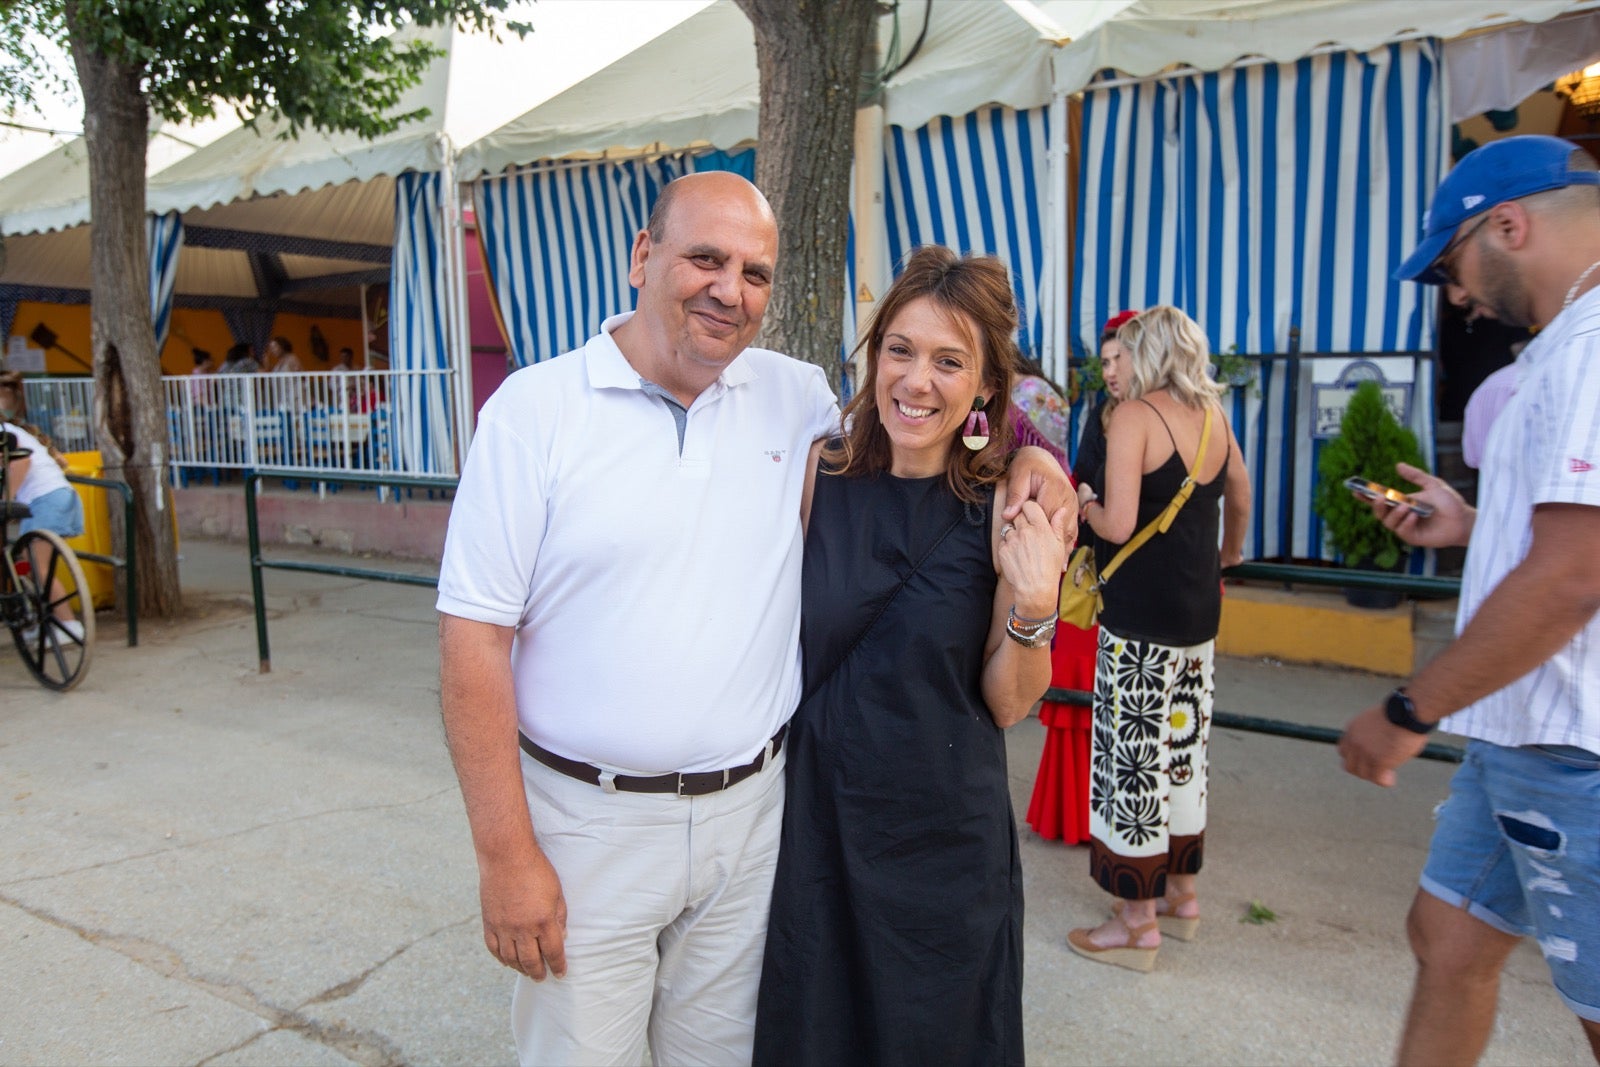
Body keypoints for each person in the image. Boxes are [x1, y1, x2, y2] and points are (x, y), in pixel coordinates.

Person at [434, 171, 1069, 1066]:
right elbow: (472, 640)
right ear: (642, 256)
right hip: (597, 828)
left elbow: (951, 437)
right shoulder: (534, 414)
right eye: (705, 258)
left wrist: (1036, 468)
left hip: (758, 826)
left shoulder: (788, 396)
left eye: (755, 271)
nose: (729, 289)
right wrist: (505, 856)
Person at [752, 247, 1070, 1067]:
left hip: (944, 846)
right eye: (900, 349)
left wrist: (1037, 608)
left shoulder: (1005, 504)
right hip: (816, 828)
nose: (916, 379)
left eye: (948, 360)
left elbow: (1005, 702)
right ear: (875, 355)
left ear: (987, 385)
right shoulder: (816, 476)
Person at [1338, 134, 1600, 1065]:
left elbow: (1574, 576)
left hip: (1576, 748)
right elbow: (1564, 537)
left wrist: (1411, 708)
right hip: (1524, 739)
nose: (1455, 293)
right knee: (1446, 939)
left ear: (1510, 223)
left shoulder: (1593, 347)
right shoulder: (1564, 349)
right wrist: (1473, 525)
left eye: (1452, 265)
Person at [1067, 305, 1250, 972]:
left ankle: (1135, 922)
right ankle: (1182, 895)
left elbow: (1115, 524)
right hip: (1199, 615)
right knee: (1183, 753)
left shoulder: (1135, 417)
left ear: (1147, 353)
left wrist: (1083, 502)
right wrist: (1229, 555)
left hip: (1140, 619)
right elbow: (1243, 493)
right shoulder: (1215, 417)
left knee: (1131, 761)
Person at [0, 371, 86, 645]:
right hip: (56, 495)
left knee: (38, 567)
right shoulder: (16, 430)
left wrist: (7, 501)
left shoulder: (6, 434)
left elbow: (20, 462)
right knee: (31, 563)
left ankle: (68, 626)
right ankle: (47, 622)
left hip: (44, 499)